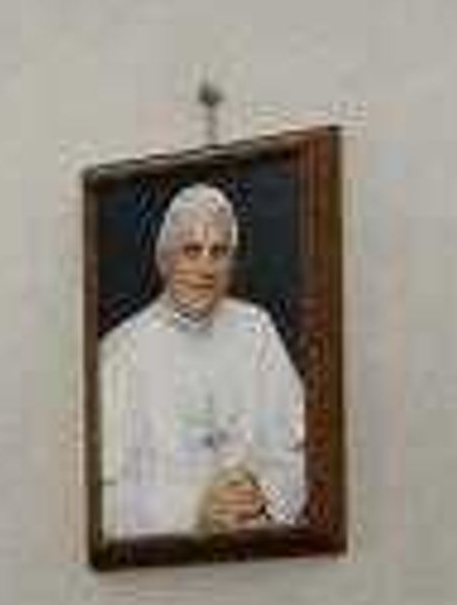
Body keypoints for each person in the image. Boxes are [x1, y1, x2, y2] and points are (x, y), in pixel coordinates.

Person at [94, 182, 308, 541]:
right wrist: (194, 508)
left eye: (219, 252)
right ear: (164, 261)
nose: (206, 267)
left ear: (232, 263)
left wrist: (264, 494)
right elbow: (102, 501)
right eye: (191, 251)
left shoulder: (257, 328)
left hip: (261, 549)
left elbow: (304, 454)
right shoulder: (122, 349)